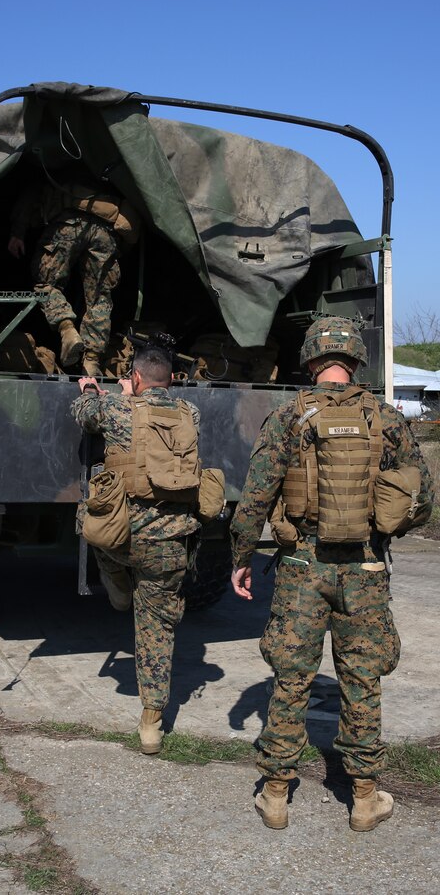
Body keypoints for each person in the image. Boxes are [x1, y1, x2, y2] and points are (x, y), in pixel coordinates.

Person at [230, 316, 435, 832]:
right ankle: (364, 797)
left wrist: (239, 559)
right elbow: (422, 497)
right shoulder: (386, 419)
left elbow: (254, 497)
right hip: (365, 567)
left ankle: (276, 793)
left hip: (302, 566)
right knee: (362, 679)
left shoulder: (287, 417)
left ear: (311, 359)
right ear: (354, 359)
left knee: (291, 677)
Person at [72, 337, 201, 753]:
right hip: (171, 543)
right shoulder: (189, 412)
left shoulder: (115, 407)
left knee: (89, 523)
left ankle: (117, 587)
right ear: (171, 380)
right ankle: (151, 722)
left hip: (122, 540)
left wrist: (100, 390)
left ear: (137, 376)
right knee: (156, 630)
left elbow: (83, 415)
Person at [9, 178, 139, 376]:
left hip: (68, 223)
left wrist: (17, 232)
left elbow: (31, 193)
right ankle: (92, 361)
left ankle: (67, 329)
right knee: (99, 299)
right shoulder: (113, 168)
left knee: (45, 283)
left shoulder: (61, 158)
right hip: (105, 231)